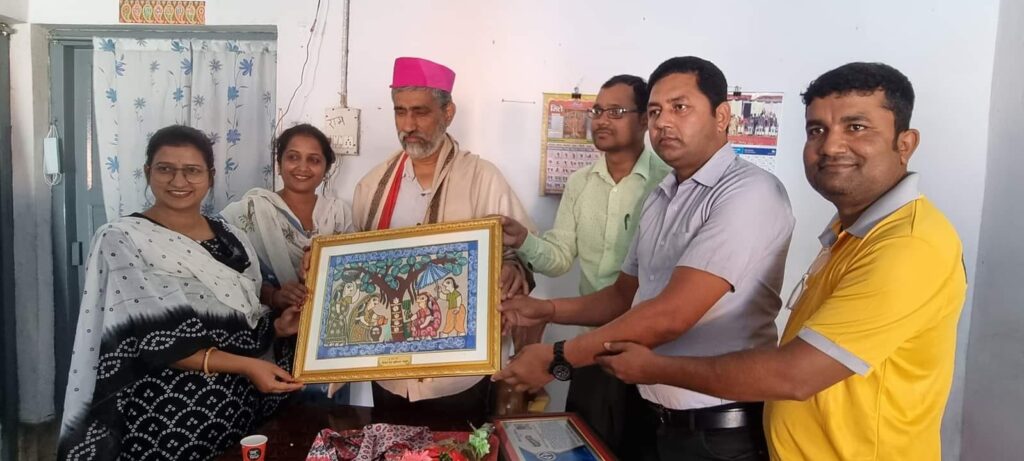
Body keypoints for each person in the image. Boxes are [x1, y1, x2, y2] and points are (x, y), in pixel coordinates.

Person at [595, 62, 967, 460]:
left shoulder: (908, 245)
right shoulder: (852, 234)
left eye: (856, 127)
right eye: (817, 130)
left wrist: (650, 367)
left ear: (905, 144)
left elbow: (794, 375)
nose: (831, 146)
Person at [495, 56, 795, 460]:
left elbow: (671, 314)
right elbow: (625, 296)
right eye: (656, 111)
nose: (663, 122)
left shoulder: (748, 192)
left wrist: (557, 356)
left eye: (680, 107)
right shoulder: (662, 196)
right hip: (656, 416)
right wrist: (545, 310)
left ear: (722, 116)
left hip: (718, 429)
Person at [58, 125, 304, 461]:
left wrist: (277, 327)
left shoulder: (230, 235)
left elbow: (244, 311)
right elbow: (154, 336)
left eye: (192, 170)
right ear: (148, 171)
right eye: (165, 169)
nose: (179, 181)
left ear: (210, 176)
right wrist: (248, 367)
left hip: (242, 408)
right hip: (169, 417)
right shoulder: (122, 239)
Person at [346, 56, 537, 421]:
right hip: (389, 371)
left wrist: (513, 268)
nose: (408, 125)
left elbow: (522, 252)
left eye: (420, 112)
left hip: (459, 374)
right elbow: (356, 266)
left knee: (460, 446)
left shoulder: (483, 178)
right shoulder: (371, 187)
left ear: (448, 113)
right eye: (400, 112)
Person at [499, 74, 671, 456]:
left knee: (643, 449)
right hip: (590, 348)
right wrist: (523, 240)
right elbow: (560, 259)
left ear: (644, 120)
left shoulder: (667, 182)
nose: (602, 120)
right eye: (597, 111)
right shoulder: (580, 183)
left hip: (650, 348)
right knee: (587, 446)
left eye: (616, 111)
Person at [221, 123, 354, 312]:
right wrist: (274, 296)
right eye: (293, 157)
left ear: (326, 170)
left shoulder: (338, 212)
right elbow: (227, 273)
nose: (303, 167)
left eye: (314, 160)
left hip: (332, 314)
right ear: (279, 164)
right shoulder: (251, 210)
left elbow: (355, 268)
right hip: (270, 320)